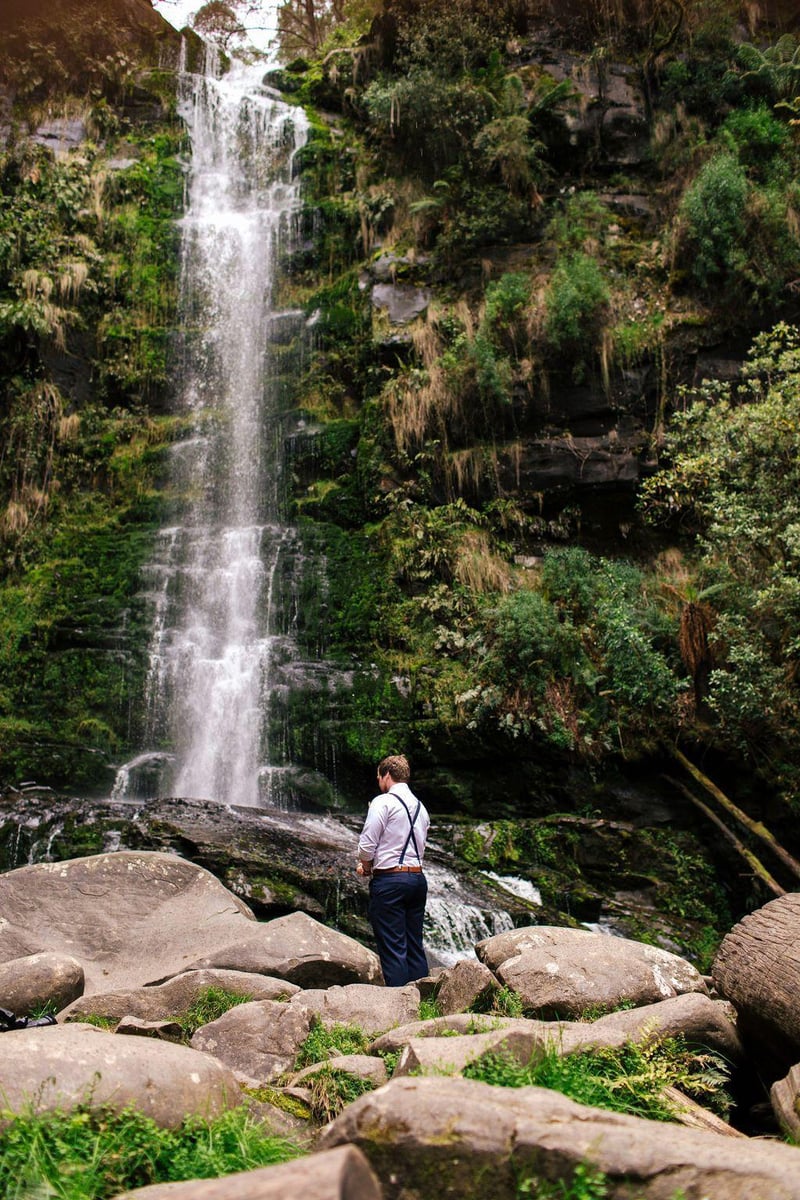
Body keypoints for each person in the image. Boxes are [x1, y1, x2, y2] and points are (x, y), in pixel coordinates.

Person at [356, 754, 430, 987]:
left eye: (379, 776)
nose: (379, 781)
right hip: (417, 879)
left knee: (393, 946)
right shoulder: (422, 807)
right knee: (414, 945)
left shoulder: (382, 802)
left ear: (387, 775)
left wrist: (366, 865)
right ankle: (425, 1001)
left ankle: (401, 1005)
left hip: (390, 882)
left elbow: (367, 843)